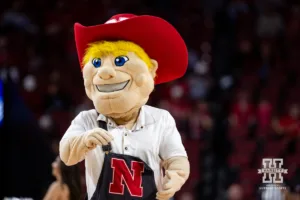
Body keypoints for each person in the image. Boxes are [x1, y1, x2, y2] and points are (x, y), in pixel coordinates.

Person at [59, 14, 190, 200]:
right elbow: (66, 154)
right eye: (97, 62)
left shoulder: (161, 119)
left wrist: (176, 175)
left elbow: (176, 158)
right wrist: (83, 140)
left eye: (119, 61)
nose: (104, 72)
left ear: (150, 70)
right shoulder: (86, 120)